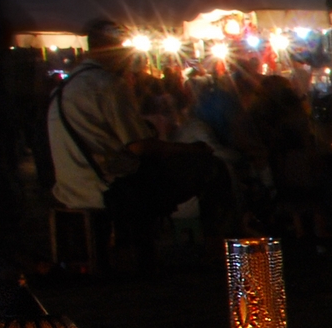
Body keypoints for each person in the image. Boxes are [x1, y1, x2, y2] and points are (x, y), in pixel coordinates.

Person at [47, 18, 231, 265]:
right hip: (107, 188)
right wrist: (188, 148)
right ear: (114, 49)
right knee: (212, 168)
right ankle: (216, 249)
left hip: (70, 186)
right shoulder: (107, 85)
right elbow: (139, 146)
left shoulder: (63, 88)